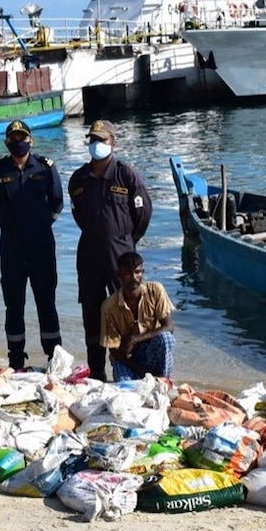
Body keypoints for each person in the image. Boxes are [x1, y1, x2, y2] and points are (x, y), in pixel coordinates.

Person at [68, 119, 152, 381]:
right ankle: (97, 373)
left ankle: (128, 371)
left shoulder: (126, 175)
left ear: (113, 143)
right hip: (89, 255)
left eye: (102, 140)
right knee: (92, 314)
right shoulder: (78, 178)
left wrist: (124, 241)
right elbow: (78, 215)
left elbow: (143, 214)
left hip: (122, 257)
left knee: (127, 314)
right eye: (93, 140)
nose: (97, 145)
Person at [0, 118, 63, 370]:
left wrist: (38, 225)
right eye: (13, 138)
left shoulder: (46, 168)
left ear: (31, 139)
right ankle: (16, 358)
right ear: (7, 142)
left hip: (41, 246)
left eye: (22, 137)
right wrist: (13, 228)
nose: (18, 142)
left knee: (46, 302)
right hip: (11, 248)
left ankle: (54, 358)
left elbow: (57, 203)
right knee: (14, 304)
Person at [100, 251, 175, 382]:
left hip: (152, 353)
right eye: (128, 273)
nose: (133, 277)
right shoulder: (109, 307)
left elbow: (169, 327)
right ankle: (143, 378)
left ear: (142, 272)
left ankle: (164, 381)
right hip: (126, 359)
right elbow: (114, 350)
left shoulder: (156, 290)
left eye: (137, 272)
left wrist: (135, 339)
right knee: (126, 390)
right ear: (119, 275)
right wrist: (141, 371)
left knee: (166, 338)